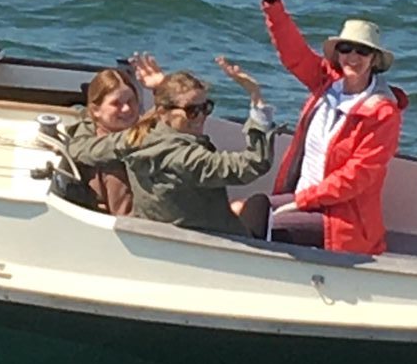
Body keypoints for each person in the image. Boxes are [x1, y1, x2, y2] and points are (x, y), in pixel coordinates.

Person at [248, 0, 404, 255]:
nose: (352, 57)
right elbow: (293, 52)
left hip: (340, 219)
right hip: (301, 199)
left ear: (374, 59)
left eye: (362, 51)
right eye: (346, 49)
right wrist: (272, 1)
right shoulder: (326, 82)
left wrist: (302, 202)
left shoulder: (383, 112)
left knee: (258, 224)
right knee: (244, 209)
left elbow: (356, 177)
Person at [73, 62, 275, 239]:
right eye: (192, 111)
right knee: (260, 205)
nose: (201, 116)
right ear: (163, 112)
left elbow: (80, 149)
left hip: (160, 230)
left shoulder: (135, 139)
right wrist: (257, 100)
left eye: (206, 107)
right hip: (216, 243)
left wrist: (89, 116)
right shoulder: (186, 158)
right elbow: (254, 163)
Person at [53, 64, 143, 217]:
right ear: (95, 110)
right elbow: (125, 217)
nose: (127, 109)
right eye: (116, 104)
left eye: (130, 101)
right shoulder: (110, 162)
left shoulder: (137, 130)